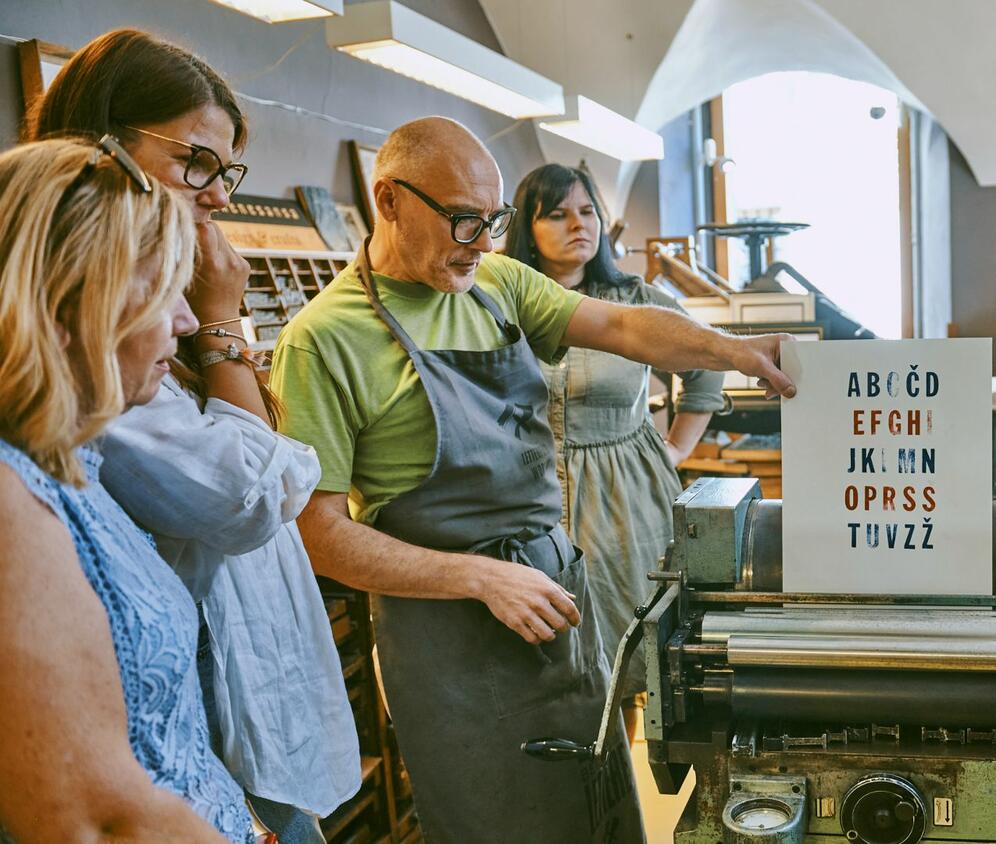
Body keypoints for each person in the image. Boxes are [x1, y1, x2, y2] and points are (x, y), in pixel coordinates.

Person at [270, 116, 793, 844]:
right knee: (499, 823)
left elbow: (621, 328)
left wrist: (729, 350)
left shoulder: (498, 284)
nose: (481, 241)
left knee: (596, 810)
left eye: (492, 220)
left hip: (554, 610)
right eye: (461, 220)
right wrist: (480, 578)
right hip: (450, 637)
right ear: (387, 201)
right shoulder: (322, 341)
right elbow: (320, 536)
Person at [29, 29, 360, 841]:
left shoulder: (146, 323)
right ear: (108, 148)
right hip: (200, 724)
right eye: (195, 162)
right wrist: (220, 325)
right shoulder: (86, 338)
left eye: (224, 168)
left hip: (236, 728)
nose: (216, 194)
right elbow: (245, 495)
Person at [0, 136, 252, 842]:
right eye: (163, 289)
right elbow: (99, 821)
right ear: (68, 305)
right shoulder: (7, 501)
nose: (187, 320)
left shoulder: (64, 464)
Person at [506, 163, 726, 739]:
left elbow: (703, 374)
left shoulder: (635, 300)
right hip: (527, 492)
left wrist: (674, 451)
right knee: (544, 653)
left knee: (624, 654)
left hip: (625, 497)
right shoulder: (503, 302)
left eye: (587, 212)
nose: (578, 225)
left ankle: (615, 792)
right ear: (528, 227)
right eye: (556, 214)